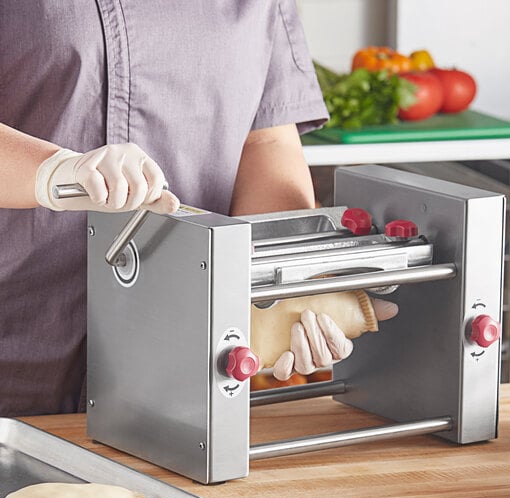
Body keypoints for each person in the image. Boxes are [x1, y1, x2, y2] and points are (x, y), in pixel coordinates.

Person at [0, 1, 395, 418]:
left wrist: (285, 288)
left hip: (184, 363)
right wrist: (55, 171)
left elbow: (265, 140)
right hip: (20, 338)